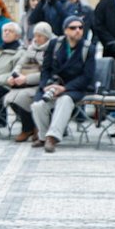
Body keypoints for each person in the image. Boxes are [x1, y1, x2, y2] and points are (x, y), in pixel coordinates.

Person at [30, 16, 95, 153]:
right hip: (53, 84)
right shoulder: (55, 44)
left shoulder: (88, 48)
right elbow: (46, 69)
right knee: (38, 105)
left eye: (80, 27)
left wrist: (65, 88)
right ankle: (43, 136)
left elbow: (87, 76)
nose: (77, 30)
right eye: (73, 28)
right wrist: (45, 86)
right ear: (65, 30)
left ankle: (52, 138)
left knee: (64, 100)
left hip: (74, 87)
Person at [3, 23, 53, 142]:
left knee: (22, 97)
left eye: (40, 36)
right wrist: (14, 75)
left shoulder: (51, 49)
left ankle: (30, 127)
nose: (36, 38)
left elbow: (47, 72)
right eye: (35, 35)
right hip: (24, 82)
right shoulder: (31, 48)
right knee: (10, 98)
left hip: (40, 84)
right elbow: (19, 64)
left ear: (46, 36)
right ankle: (29, 126)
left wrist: (27, 79)